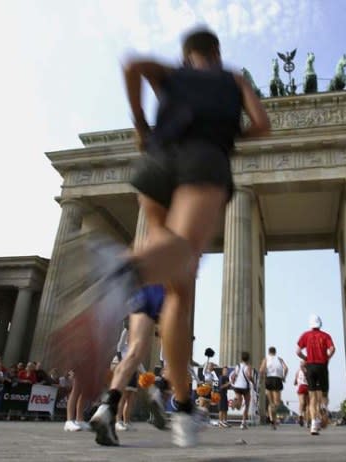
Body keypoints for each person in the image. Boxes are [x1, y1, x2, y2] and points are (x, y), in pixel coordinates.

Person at [47, 27, 270, 448]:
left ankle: (184, 408)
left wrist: (141, 123)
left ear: (187, 56)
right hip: (203, 161)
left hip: (154, 163)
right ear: (216, 53)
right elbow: (262, 124)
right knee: (183, 252)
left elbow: (132, 65)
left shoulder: (173, 73)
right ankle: (120, 270)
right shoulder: (232, 79)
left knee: (178, 290)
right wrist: (230, 135)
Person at [90, 285, 168, 446]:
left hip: (140, 289)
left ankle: (106, 408)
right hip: (163, 288)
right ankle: (168, 398)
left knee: (134, 351)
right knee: (169, 341)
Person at [296, 314, 335, 436]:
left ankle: (313, 424)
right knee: (324, 393)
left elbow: (297, 351)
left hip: (310, 366)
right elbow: (332, 349)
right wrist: (327, 357)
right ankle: (323, 405)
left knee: (312, 397)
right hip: (322, 366)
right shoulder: (325, 335)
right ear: (320, 324)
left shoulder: (305, 335)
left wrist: (306, 358)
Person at [259, 346, 289, 429]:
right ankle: (273, 420)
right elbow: (286, 368)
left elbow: (261, 370)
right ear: (275, 352)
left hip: (268, 379)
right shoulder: (279, 359)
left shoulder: (266, 359)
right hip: (277, 379)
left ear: (269, 352)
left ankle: (272, 419)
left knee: (270, 402)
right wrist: (283, 377)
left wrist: (262, 379)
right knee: (276, 403)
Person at [229, 351, 255, 429]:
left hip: (237, 386)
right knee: (246, 405)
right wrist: (253, 382)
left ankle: (235, 402)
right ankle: (243, 423)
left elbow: (233, 376)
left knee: (239, 406)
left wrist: (233, 381)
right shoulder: (248, 366)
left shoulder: (238, 366)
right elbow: (249, 376)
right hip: (245, 387)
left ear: (241, 358)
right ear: (248, 359)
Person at [294, 360, 309, 427]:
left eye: (302, 363)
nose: (301, 364)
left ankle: (306, 420)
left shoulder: (308, 369)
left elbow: (306, 374)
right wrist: (296, 381)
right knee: (303, 403)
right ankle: (301, 416)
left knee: (306, 405)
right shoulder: (298, 371)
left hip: (308, 386)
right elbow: (295, 382)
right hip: (302, 386)